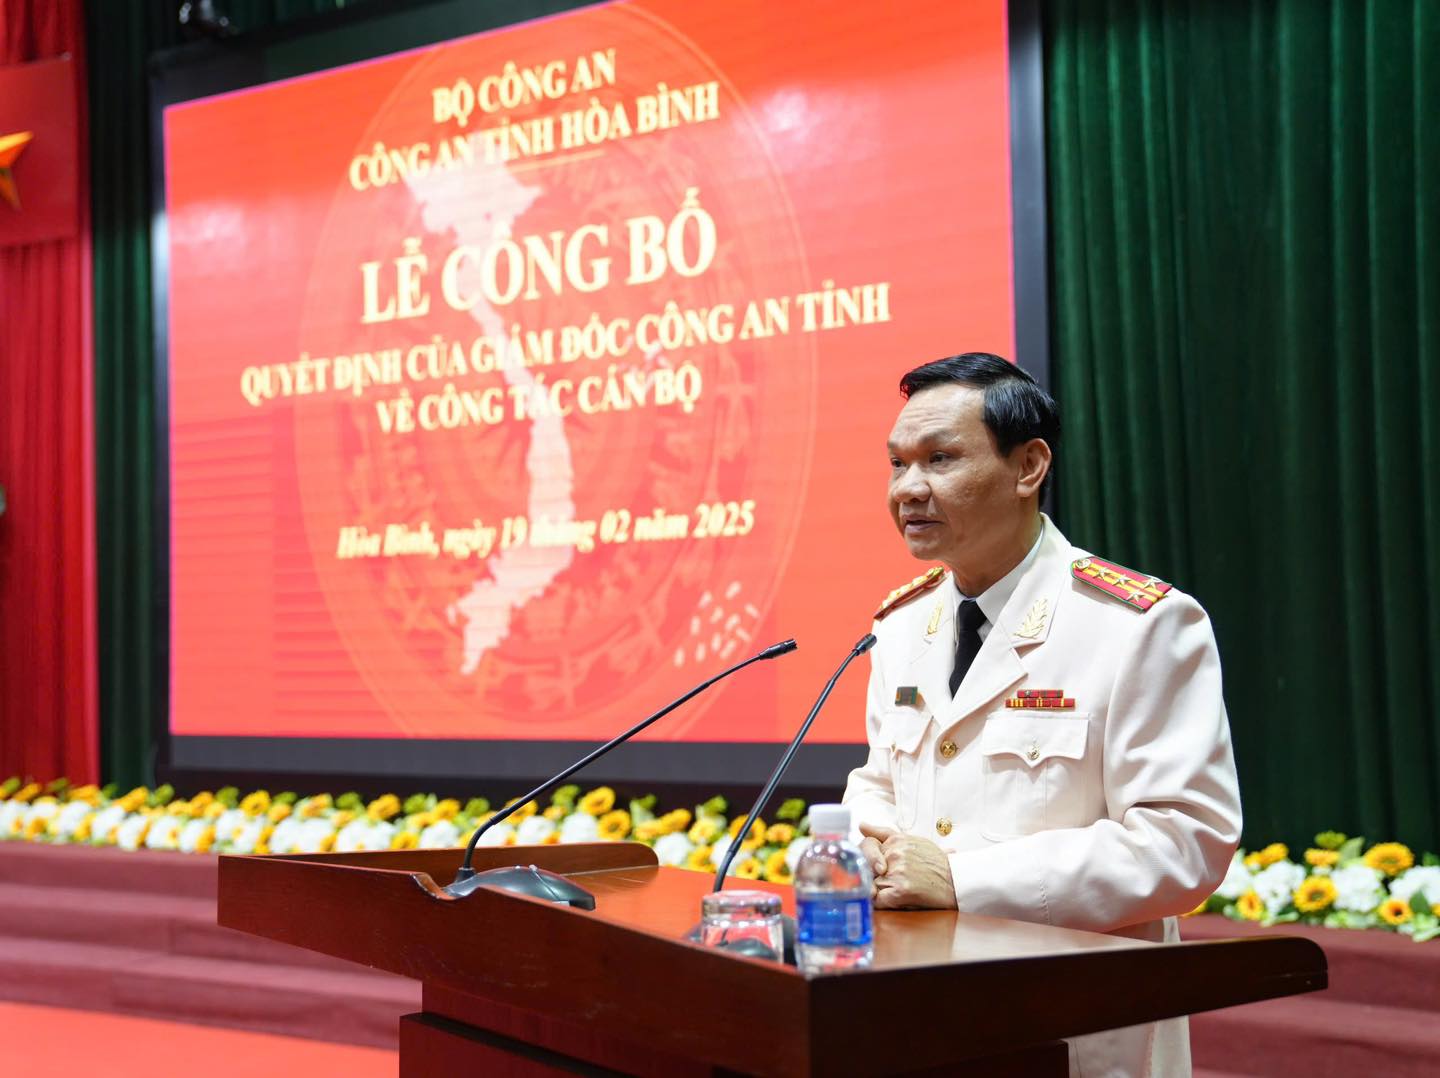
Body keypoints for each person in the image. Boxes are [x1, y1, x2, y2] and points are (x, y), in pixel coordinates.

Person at [843, 353, 1241, 1078]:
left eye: (940, 459)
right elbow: (877, 783)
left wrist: (964, 882)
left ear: (1028, 467)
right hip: (914, 1010)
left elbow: (1185, 841)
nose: (909, 490)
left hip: (1074, 1028)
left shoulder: (1140, 625)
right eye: (897, 464)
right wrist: (868, 849)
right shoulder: (901, 625)